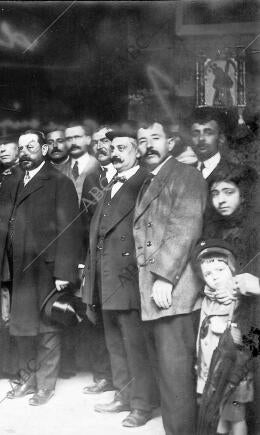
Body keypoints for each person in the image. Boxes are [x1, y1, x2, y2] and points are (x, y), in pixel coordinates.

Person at [0, 129, 81, 406]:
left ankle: (45, 385)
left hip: (46, 268)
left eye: (31, 146)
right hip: (17, 266)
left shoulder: (59, 182)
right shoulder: (12, 182)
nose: (24, 152)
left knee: (47, 328)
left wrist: (63, 272)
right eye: (21, 147)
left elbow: (70, 229)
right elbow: (0, 222)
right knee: (21, 327)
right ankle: (26, 379)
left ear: (44, 150)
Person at [134, 119, 207, 435]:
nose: (148, 145)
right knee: (167, 373)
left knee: (175, 376)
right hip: (154, 290)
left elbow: (184, 229)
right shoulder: (152, 178)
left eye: (155, 137)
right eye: (142, 140)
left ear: (171, 142)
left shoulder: (185, 175)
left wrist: (164, 278)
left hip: (172, 291)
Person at [82, 131, 156, 427]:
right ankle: (124, 395)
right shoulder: (111, 181)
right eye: (112, 148)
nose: (115, 153)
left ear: (137, 151)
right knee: (115, 341)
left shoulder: (146, 182)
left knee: (134, 344)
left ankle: (142, 404)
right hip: (105, 276)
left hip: (128, 277)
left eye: (122, 147)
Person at [194, 240, 253, 435]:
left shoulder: (239, 299)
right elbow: (200, 338)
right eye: (208, 274)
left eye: (220, 270)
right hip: (211, 370)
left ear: (233, 269)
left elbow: (248, 338)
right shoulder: (207, 300)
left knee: (235, 416)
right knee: (218, 415)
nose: (215, 278)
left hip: (233, 373)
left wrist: (227, 329)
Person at [65, 122, 100, 202]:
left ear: (88, 140)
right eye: (69, 139)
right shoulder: (61, 169)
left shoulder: (99, 166)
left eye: (77, 137)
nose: (73, 142)